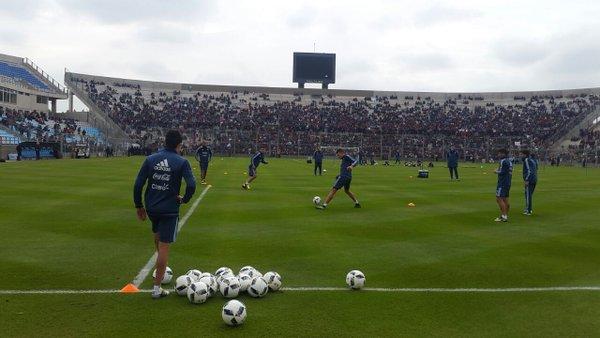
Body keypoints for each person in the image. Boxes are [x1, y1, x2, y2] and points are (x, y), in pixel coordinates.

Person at [133, 130, 196, 299]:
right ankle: (157, 289)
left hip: (152, 208)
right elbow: (191, 184)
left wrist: (139, 205)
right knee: (164, 247)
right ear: (179, 145)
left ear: (164, 142)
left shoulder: (151, 159)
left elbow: (138, 184)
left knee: (158, 238)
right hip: (169, 210)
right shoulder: (181, 161)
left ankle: (159, 271)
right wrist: (185, 200)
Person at [494, 149, 513, 222]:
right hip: (508, 182)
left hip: (502, 182)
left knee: (499, 198)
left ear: (503, 154)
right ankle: (505, 215)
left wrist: (496, 171)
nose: (498, 155)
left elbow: (502, 172)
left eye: (499, 153)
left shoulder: (503, 161)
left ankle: (503, 216)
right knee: (505, 199)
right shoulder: (510, 161)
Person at [521, 150, 537, 215]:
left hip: (530, 179)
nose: (520, 156)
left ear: (525, 154)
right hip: (534, 178)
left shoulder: (527, 160)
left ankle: (528, 210)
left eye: (521, 154)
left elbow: (529, 170)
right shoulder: (532, 160)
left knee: (528, 195)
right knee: (528, 194)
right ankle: (528, 209)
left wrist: (527, 179)